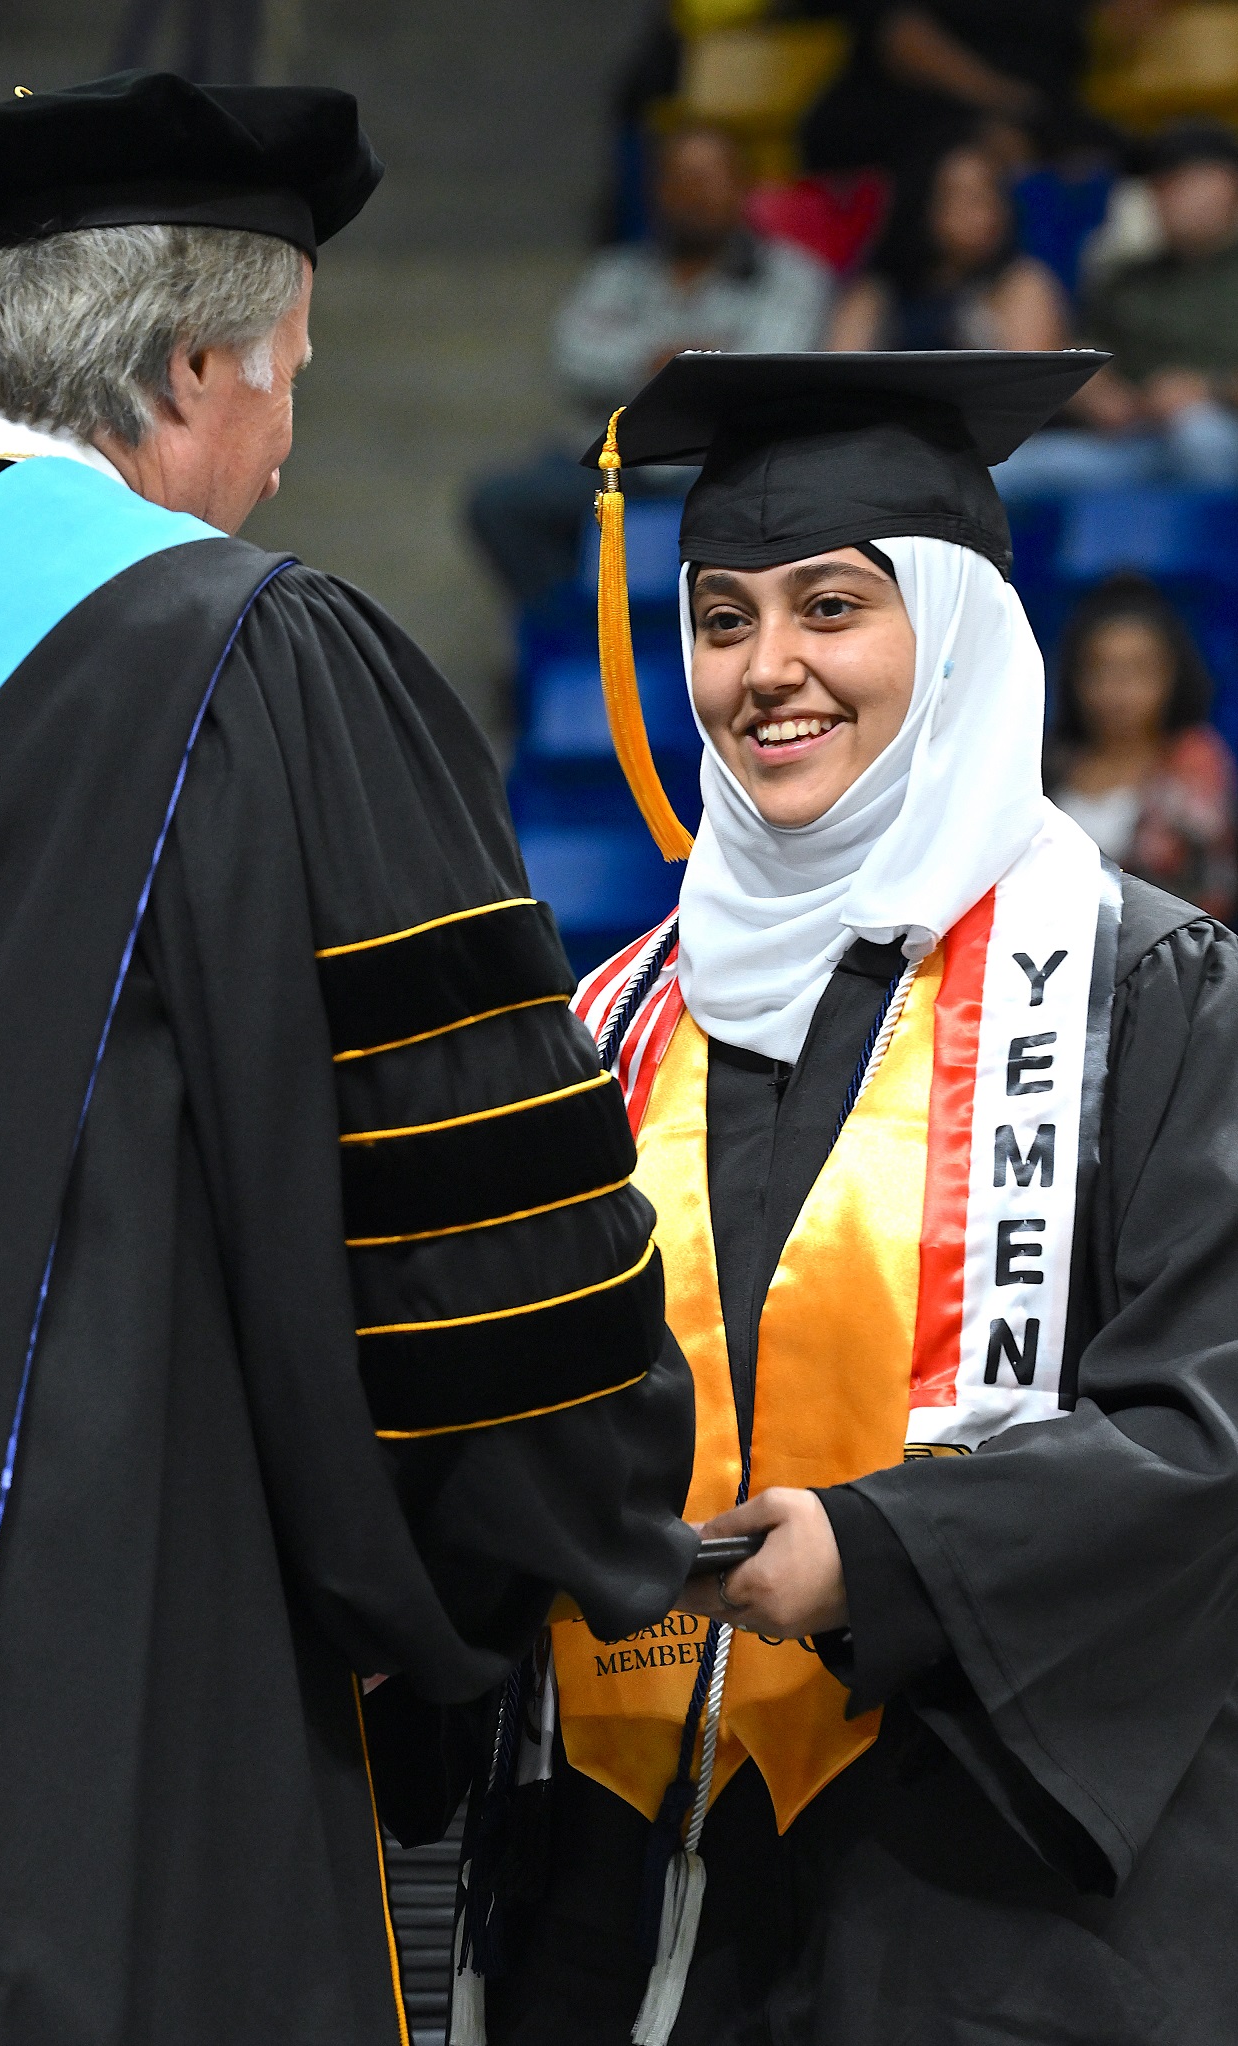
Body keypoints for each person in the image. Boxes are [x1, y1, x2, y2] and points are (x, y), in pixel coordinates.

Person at [0, 73, 702, 2046]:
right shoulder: (252, 660)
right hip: (94, 1755)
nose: (280, 451)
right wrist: (570, 1537)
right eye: (287, 379)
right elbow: (479, 1250)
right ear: (194, 367)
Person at [416, 348, 1238, 2045]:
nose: (765, 669)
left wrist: (879, 1556)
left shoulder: (1143, 995)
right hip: (637, 1893)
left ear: (952, 634)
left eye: (831, 608)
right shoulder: (615, 1026)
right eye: (721, 619)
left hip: (991, 1894)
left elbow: (1206, 1426)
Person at [469, 124, 832, 609]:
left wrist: (659, 366)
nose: (694, 194)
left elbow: (766, 370)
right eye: (680, 179)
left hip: (728, 469)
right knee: (500, 506)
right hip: (612, 463)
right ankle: (581, 631)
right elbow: (574, 359)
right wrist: (674, 362)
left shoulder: (791, 276)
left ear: (743, 187)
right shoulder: (616, 273)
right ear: (657, 191)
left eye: (709, 177)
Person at [996, 122, 1238, 497]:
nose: (1174, 196)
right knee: (1007, 470)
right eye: (1161, 184)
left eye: (1192, 180)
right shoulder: (1125, 279)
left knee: (1199, 433)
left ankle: (1210, 536)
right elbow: (1085, 356)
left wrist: (1207, 390)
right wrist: (1099, 395)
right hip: (1138, 440)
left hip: (1222, 433)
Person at [1046, 573, 1237, 919]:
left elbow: (1207, 895)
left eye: (1138, 670)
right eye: (1100, 668)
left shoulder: (1193, 763)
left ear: (1172, 676)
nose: (1117, 690)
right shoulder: (1048, 763)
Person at [800, 0, 1127, 177]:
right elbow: (901, 40)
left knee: (1116, 159)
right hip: (917, 106)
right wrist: (1001, 103)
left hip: (1044, 109)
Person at [829, 141, 1069, 351]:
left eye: (988, 196)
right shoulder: (878, 293)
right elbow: (840, 370)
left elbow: (1032, 379)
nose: (980, 214)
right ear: (923, 205)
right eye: (961, 197)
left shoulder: (1022, 284)